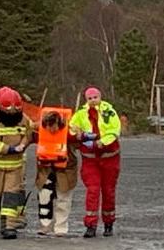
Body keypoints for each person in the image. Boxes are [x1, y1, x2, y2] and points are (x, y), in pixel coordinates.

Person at [0, 86, 33, 239]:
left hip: (15, 165)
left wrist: (23, 145)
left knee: (11, 195)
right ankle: (2, 222)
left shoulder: (23, 118)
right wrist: (8, 149)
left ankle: (10, 226)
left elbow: (28, 133)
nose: (12, 113)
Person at [70, 87, 122, 238]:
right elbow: (72, 127)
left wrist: (101, 143)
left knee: (108, 191)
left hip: (109, 157)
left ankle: (108, 222)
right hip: (90, 159)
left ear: (100, 97)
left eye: (95, 97)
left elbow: (114, 130)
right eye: (90, 98)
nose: (93, 100)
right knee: (92, 190)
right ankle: (91, 224)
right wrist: (78, 134)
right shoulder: (81, 113)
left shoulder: (109, 112)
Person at [35, 107, 77, 236]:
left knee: (63, 199)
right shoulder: (38, 130)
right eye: (48, 126)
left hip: (65, 169)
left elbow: (80, 141)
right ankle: (45, 225)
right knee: (44, 197)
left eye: (53, 126)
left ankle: (61, 227)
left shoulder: (71, 132)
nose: (51, 129)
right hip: (45, 169)